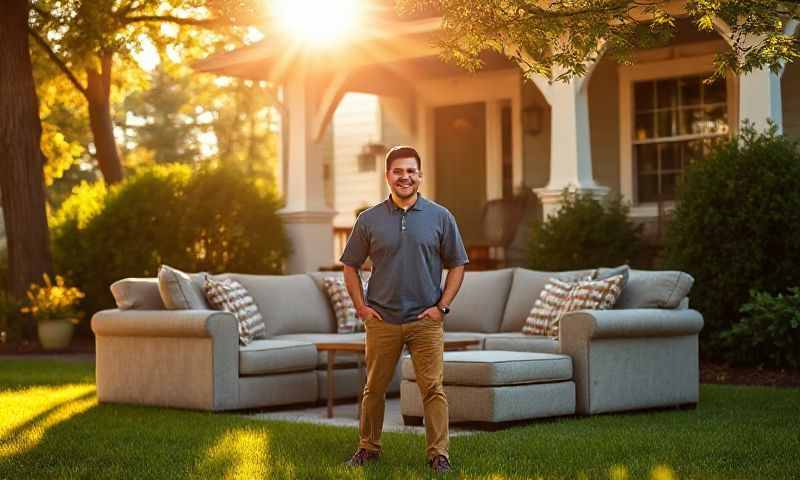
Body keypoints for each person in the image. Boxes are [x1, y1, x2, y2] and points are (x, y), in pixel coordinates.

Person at [339, 145, 469, 474]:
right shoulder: (368, 220)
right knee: (374, 389)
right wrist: (361, 307)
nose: (405, 177)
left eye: (411, 171)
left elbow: (457, 265)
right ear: (388, 176)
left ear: (420, 176)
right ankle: (368, 448)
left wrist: (442, 307)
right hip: (382, 319)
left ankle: (439, 454)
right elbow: (350, 265)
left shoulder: (441, 217)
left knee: (433, 389)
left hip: (425, 320)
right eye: (398, 171)